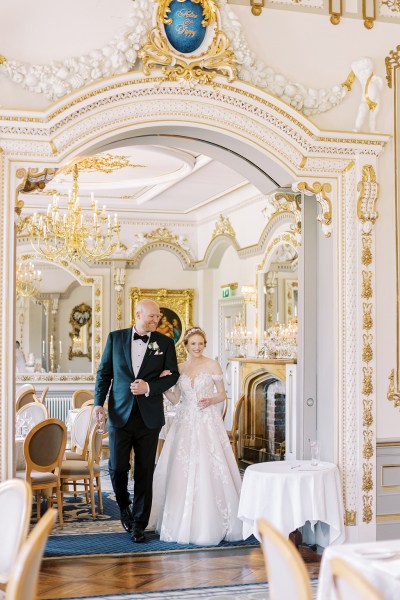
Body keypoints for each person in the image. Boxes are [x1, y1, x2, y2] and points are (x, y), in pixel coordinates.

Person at [93, 299, 179, 543]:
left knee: (144, 471)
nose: (156, 321)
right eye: (151, 316)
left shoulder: (165, 343)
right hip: (120, 414)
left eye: (158, 317)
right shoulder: (116, 338)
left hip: (149, 417)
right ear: (138, 314)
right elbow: (104, 374)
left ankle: (139, 524)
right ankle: (123, 507)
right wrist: (99, 403)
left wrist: (150, 387)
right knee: (118, 468)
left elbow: (173, 376)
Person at [147, 326, 243, 545]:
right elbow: (176, 398)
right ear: (186, 346)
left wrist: (211, 400)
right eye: (193, 344)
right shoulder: (179, 368)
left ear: (204, 345)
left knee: (208, 466)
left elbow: (222, 394)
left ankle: (214, 520)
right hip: (184, 419)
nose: (197, 347)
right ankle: (179, 520)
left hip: (206, 419)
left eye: (200, 343)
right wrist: (162, 386)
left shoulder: (212, 364)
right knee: (181, 468)